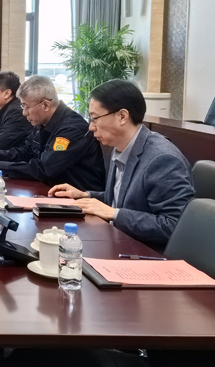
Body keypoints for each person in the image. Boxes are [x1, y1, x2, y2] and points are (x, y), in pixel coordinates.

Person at [49, 79, 195, 246]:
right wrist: (86, 195)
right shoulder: (120, 146)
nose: (91, 127)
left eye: (95, 118)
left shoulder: (162, 159)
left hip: (144, 252)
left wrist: (114, 214)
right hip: (119, 241)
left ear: (122, 116)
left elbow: (174, 226)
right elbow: (123, 200)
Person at [0, 75, 105, 192]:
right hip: (49, 191)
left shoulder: (71, 129)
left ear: (45, 105)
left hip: (77, 200)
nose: (24, 113)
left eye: (27, 107)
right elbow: (26, 152)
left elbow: (44, 169)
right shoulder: (42, 122)